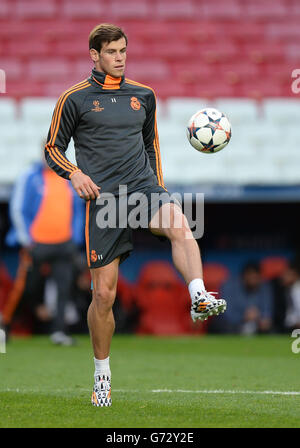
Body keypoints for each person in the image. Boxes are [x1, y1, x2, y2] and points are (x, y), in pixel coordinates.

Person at [44, 23, 227, 407]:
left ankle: (198, 296)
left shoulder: (144, 95)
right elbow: (52, 148)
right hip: (105, 200)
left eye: (124, 51)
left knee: (182, 227)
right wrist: (75, 173)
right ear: (94, 55)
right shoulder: (73, 99)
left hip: (143, 189)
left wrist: (159, 190)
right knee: (105, 295)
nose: (120, 58)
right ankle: (102, 376)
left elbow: (151, 146)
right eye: (112, 52)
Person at [5, 145, 85, 344]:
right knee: (25, 287)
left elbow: (78, 210)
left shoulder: (71, 177)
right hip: (36, 244)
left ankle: (59, 331)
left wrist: (74, 238)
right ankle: (5, 325)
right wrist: (26, 239)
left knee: (64, 288)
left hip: (64, 243)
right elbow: (17, 208)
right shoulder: (30, 176)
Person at [218, 262, 273, 334]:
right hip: (233, 325)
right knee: (225, 326)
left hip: (257, 324)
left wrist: (263, 318)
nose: (253, 280)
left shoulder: (265, 287)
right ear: (243, 276)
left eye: (255, 277)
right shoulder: (229, 286)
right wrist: (243, 317)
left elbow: (267, 310)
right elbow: (226, 313)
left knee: (271, 329)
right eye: (250, 276)